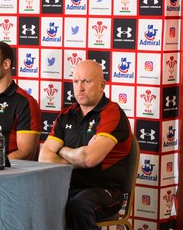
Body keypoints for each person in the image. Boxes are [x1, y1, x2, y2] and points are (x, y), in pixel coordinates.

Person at [38, 60, 132, 229]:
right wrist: (77, 158)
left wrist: (61, 149)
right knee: (31, 200)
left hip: (105, 190)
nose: (79, 88)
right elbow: (44, 157)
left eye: (86, 82)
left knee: (77, 207)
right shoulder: (66, 115)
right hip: (68, 187)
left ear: (102, 85)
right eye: (76, 81)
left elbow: (89, 159)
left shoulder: (111, 113)